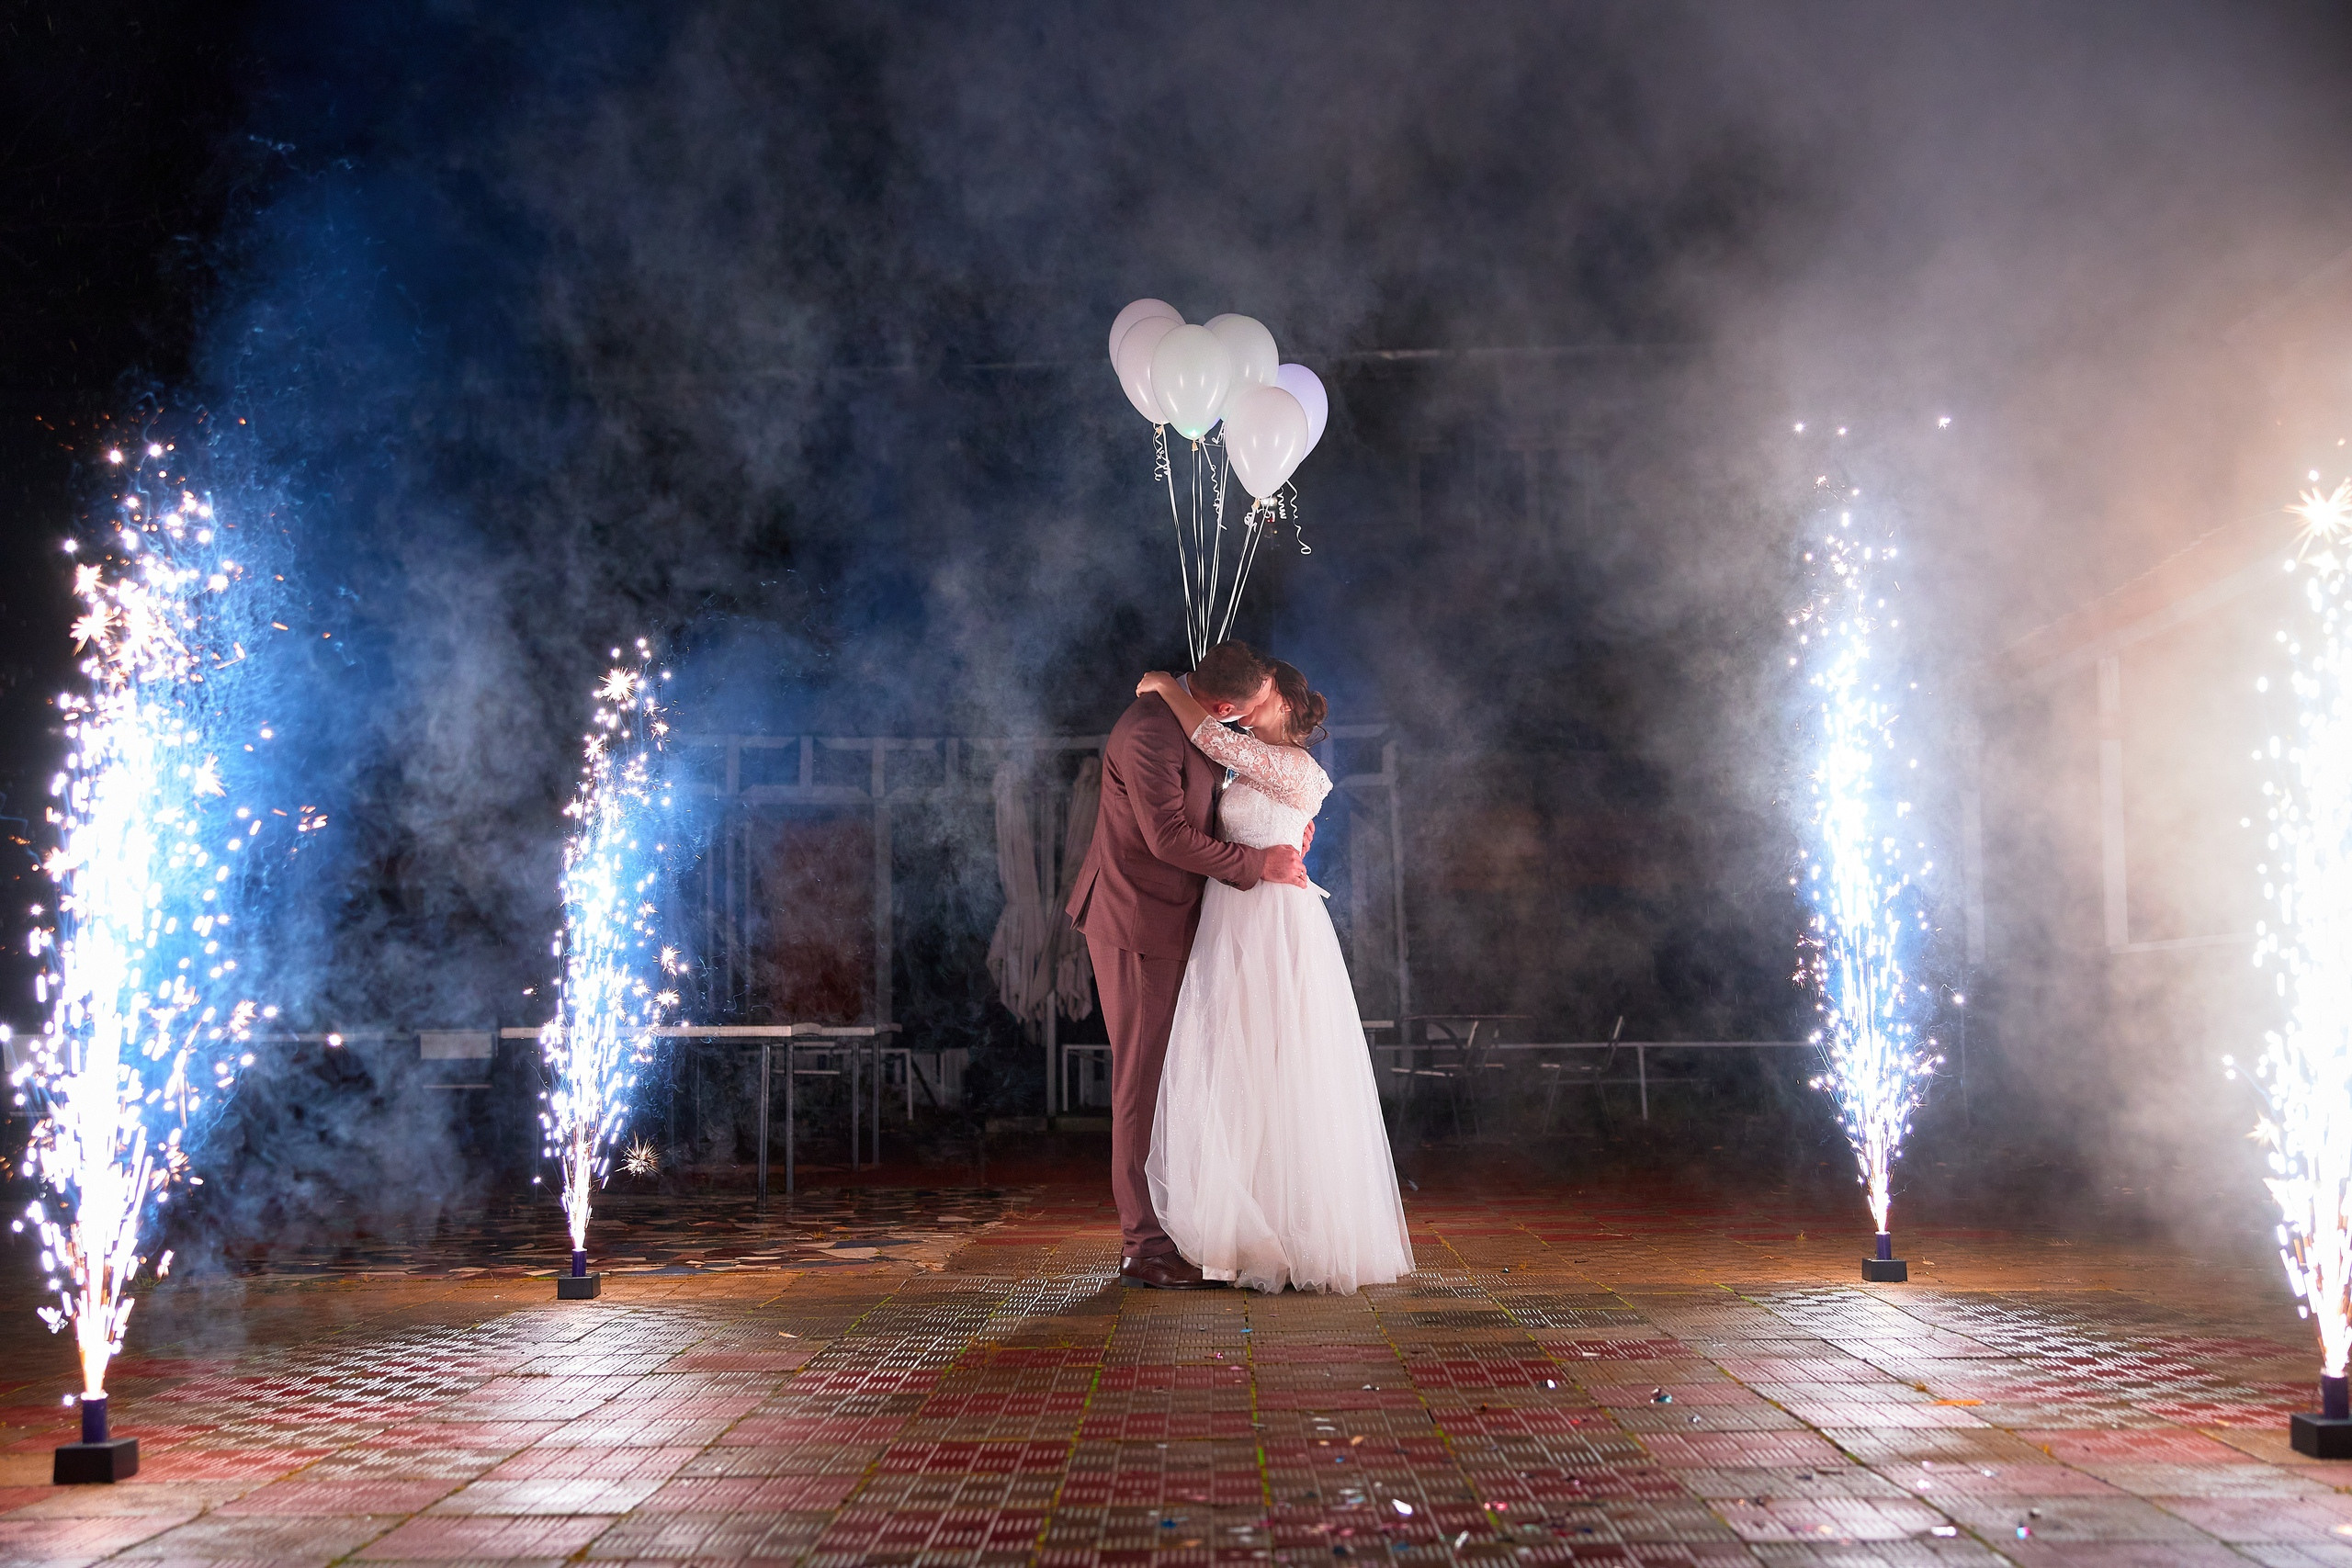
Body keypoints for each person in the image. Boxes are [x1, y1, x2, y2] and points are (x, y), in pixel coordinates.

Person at [1134, 660, 1414, 1294]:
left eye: (1261, 690)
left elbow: (1212, 737)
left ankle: (1291, 1230)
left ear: (1284, 703)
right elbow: (1219, 759)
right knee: (1235, 1062)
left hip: (1272, 924)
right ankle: (1243, 1222)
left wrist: (1168, 686)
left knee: (1279, 1061)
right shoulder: (1247, 763)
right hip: (1233, 917)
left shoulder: (1299, 770)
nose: (1249, 698)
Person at [1064, 640, 1312, 1289]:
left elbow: (1219, 806)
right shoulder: (1151, 729)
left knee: (1181, 1075)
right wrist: (1262, 865)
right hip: (1138, 920)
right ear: (1226, 703)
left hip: (1181, 917)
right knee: (1142, 1082)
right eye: (1252, 709)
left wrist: (1278, 827)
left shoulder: (1196, 720)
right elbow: (1168, 836)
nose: (1256, 719)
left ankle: (1178, 1225)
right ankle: (1143, 1246)